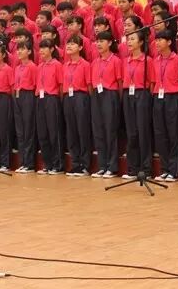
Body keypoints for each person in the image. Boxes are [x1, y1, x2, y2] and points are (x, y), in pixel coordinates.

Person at [151, 30, 178, 182]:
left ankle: (173, 170)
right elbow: (153, 82)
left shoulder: (177, 60)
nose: (157, 43)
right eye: (156, 40)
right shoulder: (155, 60)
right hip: (158, 96)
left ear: (169, 42)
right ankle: (164, 169)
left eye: (160, 40)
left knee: (173, 133)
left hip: (173, 96)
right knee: (160, 133)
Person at [90, 31, 122, 178]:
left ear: (109, 43)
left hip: (110, 95)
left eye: (102, 41)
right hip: (97, 95)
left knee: (110, 131)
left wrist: (117, 100)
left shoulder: (116, 60)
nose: (98, 44)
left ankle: (112, 166)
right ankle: (102, 165)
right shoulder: (95, 62)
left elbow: (120, 82)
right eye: (97, 41)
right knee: (98, 131)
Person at [121, 29, 152, 179]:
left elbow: (152, 82)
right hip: (128, 94)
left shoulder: (147, 60)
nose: (129, 42)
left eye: (133, 39)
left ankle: (146, 169)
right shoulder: (125, 61)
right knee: (131, 132)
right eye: (128, 39)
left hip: (142, 93)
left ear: (140, 42)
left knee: (143, 131)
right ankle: (132, 169)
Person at [63, 35, 93, 176]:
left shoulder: (85, 64)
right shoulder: (65, 65)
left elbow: (89, 85)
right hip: (68, 97)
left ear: (80, 47)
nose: (69, 46)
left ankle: (85, 164)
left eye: (73, 44)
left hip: (81, 97)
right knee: (71, 131)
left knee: (82, 130)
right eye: (68, 43)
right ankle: (75, 163)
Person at [35, 40, 64, 174]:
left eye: (44, 48)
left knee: (54, 132)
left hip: (52, 98)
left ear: (52, 49)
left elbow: (61, 85)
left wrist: (59, 101)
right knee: (43, 133)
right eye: (40, 48)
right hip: (40, 99)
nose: (41, 50)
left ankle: (58, 164)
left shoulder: (57, 65)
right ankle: (48, 164)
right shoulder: (39, 66)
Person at [13, 41, 38, 173]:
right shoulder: (17, 68)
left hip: (28, 96)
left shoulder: (33, 67)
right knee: (20, 131)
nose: (19, 52)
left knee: (28, 130)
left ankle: (29, 163)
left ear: (29, 51)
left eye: (22, 49)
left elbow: (35, 85)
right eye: (18, 49)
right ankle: (23, 161)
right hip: (18, 96)